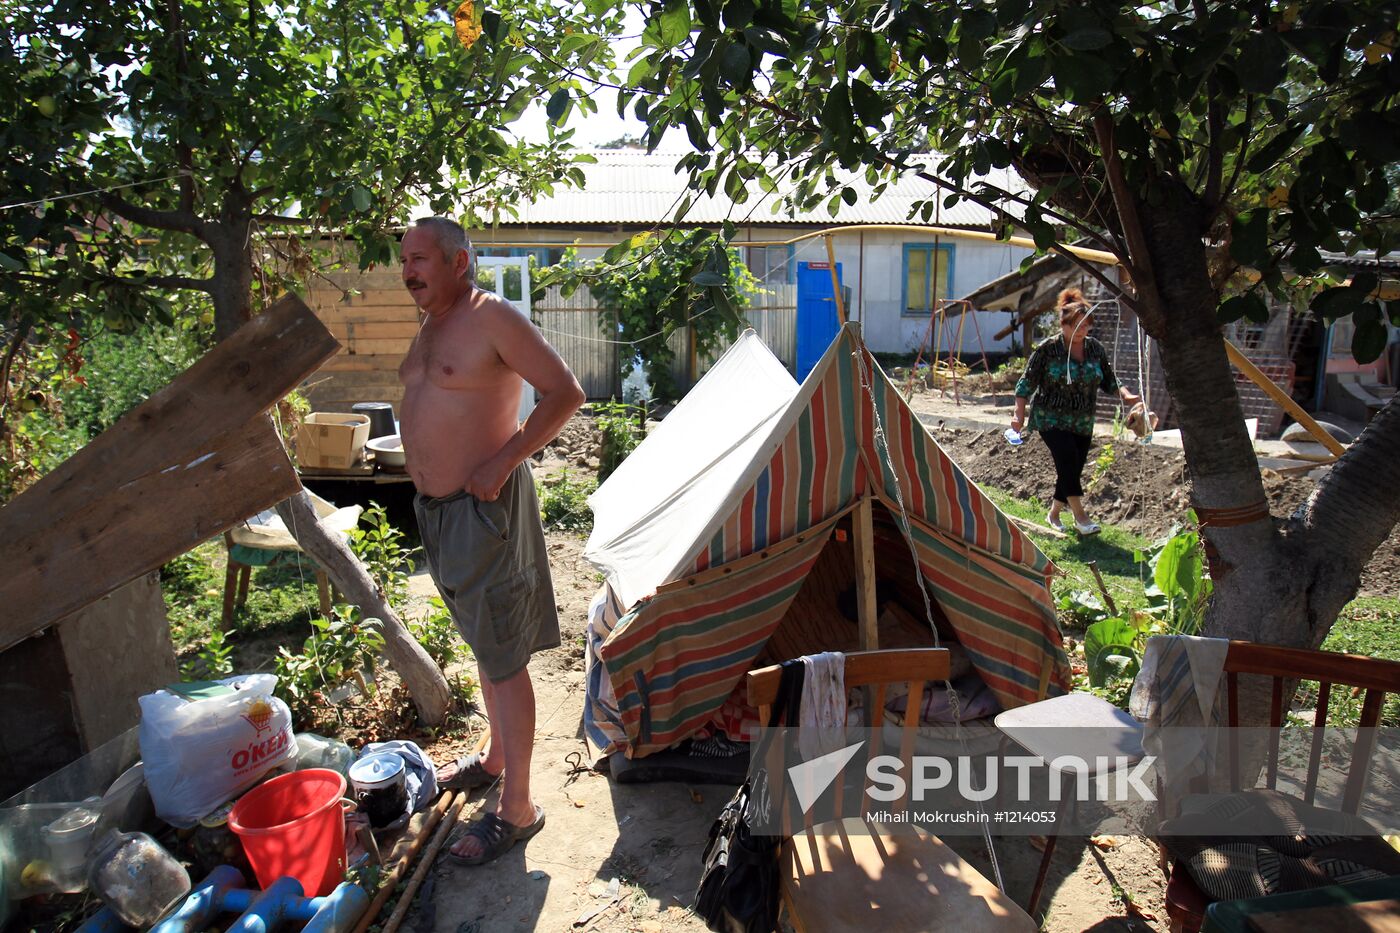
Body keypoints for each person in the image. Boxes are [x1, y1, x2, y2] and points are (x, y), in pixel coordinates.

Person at [397, 216, 585, 865]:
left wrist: (503, 461)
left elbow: (565, 392)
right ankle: (497, 757)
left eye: (420, 259)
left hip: (484, 512)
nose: (408, 271)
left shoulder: (492, 316)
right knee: (484, 641)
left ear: (459, 261)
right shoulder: (432, 325)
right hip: (439, 513)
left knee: (504, 659)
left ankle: (518, 808)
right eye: (404, 260)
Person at [1011, 287, 1139, 535]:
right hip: (1050, 418)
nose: (1082, 331)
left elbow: (1109, 379)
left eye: (1086, 326)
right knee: (1068, 459)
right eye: (1077, 326)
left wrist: (1127, 395)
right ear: (1064, 325)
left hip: (1082, 420)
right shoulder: (1048, 349)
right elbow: (1026, 383)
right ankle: (1081, 518)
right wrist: (1019, 414)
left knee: (1072, 469)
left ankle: (1053, 514)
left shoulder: (1095, 349)